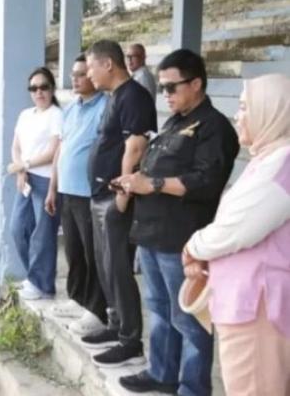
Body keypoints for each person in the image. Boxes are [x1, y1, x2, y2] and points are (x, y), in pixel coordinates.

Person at [113, 49, 239, 395]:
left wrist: (151, 184)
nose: (165, 94)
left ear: (196, 83)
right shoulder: (174, 122)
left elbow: (205, 181)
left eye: (172, 87)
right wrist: (134, 181)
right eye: (162, 88)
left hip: (182, 239)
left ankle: (192, 387)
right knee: (158, 308)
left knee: (189, 318)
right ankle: (162, 373)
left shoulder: (214, 127)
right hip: (152, 232)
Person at [182, 73, 290, 396]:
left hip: (258, 309)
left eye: (245, 107)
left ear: (271, 111)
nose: (237, 115)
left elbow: (236, 228)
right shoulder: (269, 158)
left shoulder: (282, 164)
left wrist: (194, 247)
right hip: (247, 303)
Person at [83, 40, 157, 367]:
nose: (89, 74)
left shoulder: (134, 96)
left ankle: (130, 341)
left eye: (91, 67)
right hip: (101, 194)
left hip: (117, 198)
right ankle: (115, 324)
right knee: (105, 265)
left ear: (108, 64)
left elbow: (136, 148)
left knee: (119, 268)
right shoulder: (115, 96)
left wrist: (122, 198)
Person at [45, 54, 109, 335]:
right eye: (73, 74)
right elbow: (61, 150)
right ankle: (77, 298)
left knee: (93, 253)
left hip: (89, 192)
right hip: (67, 190)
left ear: (93, 76)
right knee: (73, 250)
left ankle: (96, 310)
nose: (76, 78)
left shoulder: (106, 107)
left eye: (82, 73)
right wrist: (52, 188)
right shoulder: (71, 109)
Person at [7, 67, 63, 299]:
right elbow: (16, 146)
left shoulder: (57, 115)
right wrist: (21, 169)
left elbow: (53, 152)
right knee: (18, 228)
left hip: (46, 178)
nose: (39, 92)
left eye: (43, 87)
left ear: (52, 89)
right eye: (33, 88)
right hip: (27, 178)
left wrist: (25, 164)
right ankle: (34, 276)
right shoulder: (25, 114)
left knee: (43, 234)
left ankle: (42, 284)